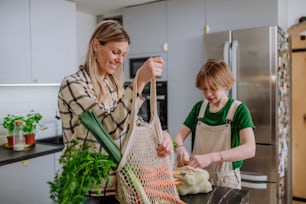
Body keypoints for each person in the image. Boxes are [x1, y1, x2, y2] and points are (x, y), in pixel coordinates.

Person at [58, 20, 173, 203]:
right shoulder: (73, 85)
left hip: (116, 185)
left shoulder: (113, 85)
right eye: (115, 52)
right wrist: (139, 83)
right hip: (85, 188)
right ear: (96, 46)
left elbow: (133, 124)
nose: (120, 60)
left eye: (123, 54)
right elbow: (105, 129)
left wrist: (163, 135)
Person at [173, 59, 256, 189]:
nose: (208, 94)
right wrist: (179, 149)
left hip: (227, 181)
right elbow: (177, 138)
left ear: (226, 85)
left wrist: (212, 157)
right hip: (197, 178)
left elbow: (250, 149)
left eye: (213, 88)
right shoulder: (198, 108)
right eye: (204, 89)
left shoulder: (239, 110)